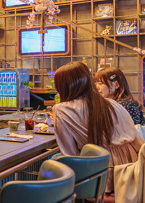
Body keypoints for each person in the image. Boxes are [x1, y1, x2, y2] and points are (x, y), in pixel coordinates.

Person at [53, 62, 144, 190]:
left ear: (62, 87)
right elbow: (138, 142)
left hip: (102, 175)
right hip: (130, 173)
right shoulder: (113, 104)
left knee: (54, 161)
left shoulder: (61, 110)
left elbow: (69, 155)